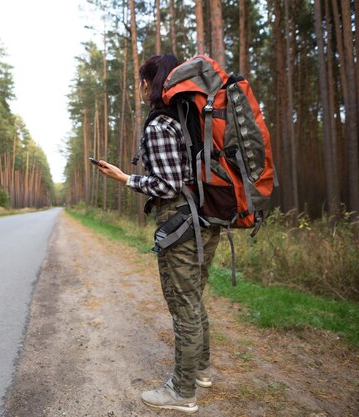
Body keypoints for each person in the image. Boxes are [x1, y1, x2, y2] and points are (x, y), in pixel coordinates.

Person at [94, 54, 221, 414]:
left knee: (183, 306)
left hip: (180, 222)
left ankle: (182, 391)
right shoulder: (194, 117)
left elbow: (167, 185)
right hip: (209, 218)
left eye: (144, 81)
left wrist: (125, 178)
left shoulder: (160, 123)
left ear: (154, 82)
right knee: (194, 298)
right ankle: (201, 372)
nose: (143, 88)